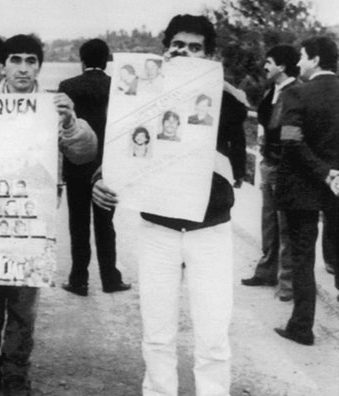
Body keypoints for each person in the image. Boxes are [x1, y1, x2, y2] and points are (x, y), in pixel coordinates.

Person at [93, 15, 247, 396]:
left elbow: (236, 119)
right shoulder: (146, 94)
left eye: (196, 48)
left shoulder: (226, 99)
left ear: (209, 55)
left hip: (209, 229)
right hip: (159, 228)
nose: (185, 52)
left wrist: (205, 78)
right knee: (157, 331)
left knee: (212, 334)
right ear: (166, 49)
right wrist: (100, 180)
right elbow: (121, 148)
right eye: (178, 45)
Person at [0, 34, 97, 396]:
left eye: (31, 60)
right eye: (16, 60)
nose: (23, 67)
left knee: (23, 303)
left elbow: (85, 152)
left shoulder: (53, 106)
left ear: (39, 66)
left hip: (34, 221)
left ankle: (16, 373)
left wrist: (70, 124)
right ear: (2, 65)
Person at [273, 36, 339, 345]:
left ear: (314, 59)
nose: (298, 62)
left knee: (302, 258)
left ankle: (301, 327)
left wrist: (324, 173)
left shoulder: (296, 94)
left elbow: (290, 140)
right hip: (337, 189)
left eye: (301, 56)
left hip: (302, 191)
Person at [58, 38, 130, 297]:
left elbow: (62, 125)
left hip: (77, 164)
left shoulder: (67, 87)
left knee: (78, 223)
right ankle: (111, 279)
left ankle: (79, 280)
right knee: (105, 224)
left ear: (82, 60)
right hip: (107, 167)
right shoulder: (117, 86)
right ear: (106, 60)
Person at [241, 45, 300, 302]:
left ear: (282, 66)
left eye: (269, 61)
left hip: (286, 167)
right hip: (269, 164)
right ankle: (266, 271)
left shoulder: (297, 92)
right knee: (268, 222)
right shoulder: (272, 91)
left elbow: (291, 132)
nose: (265, 66)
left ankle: (287, 284)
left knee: (286, 227)